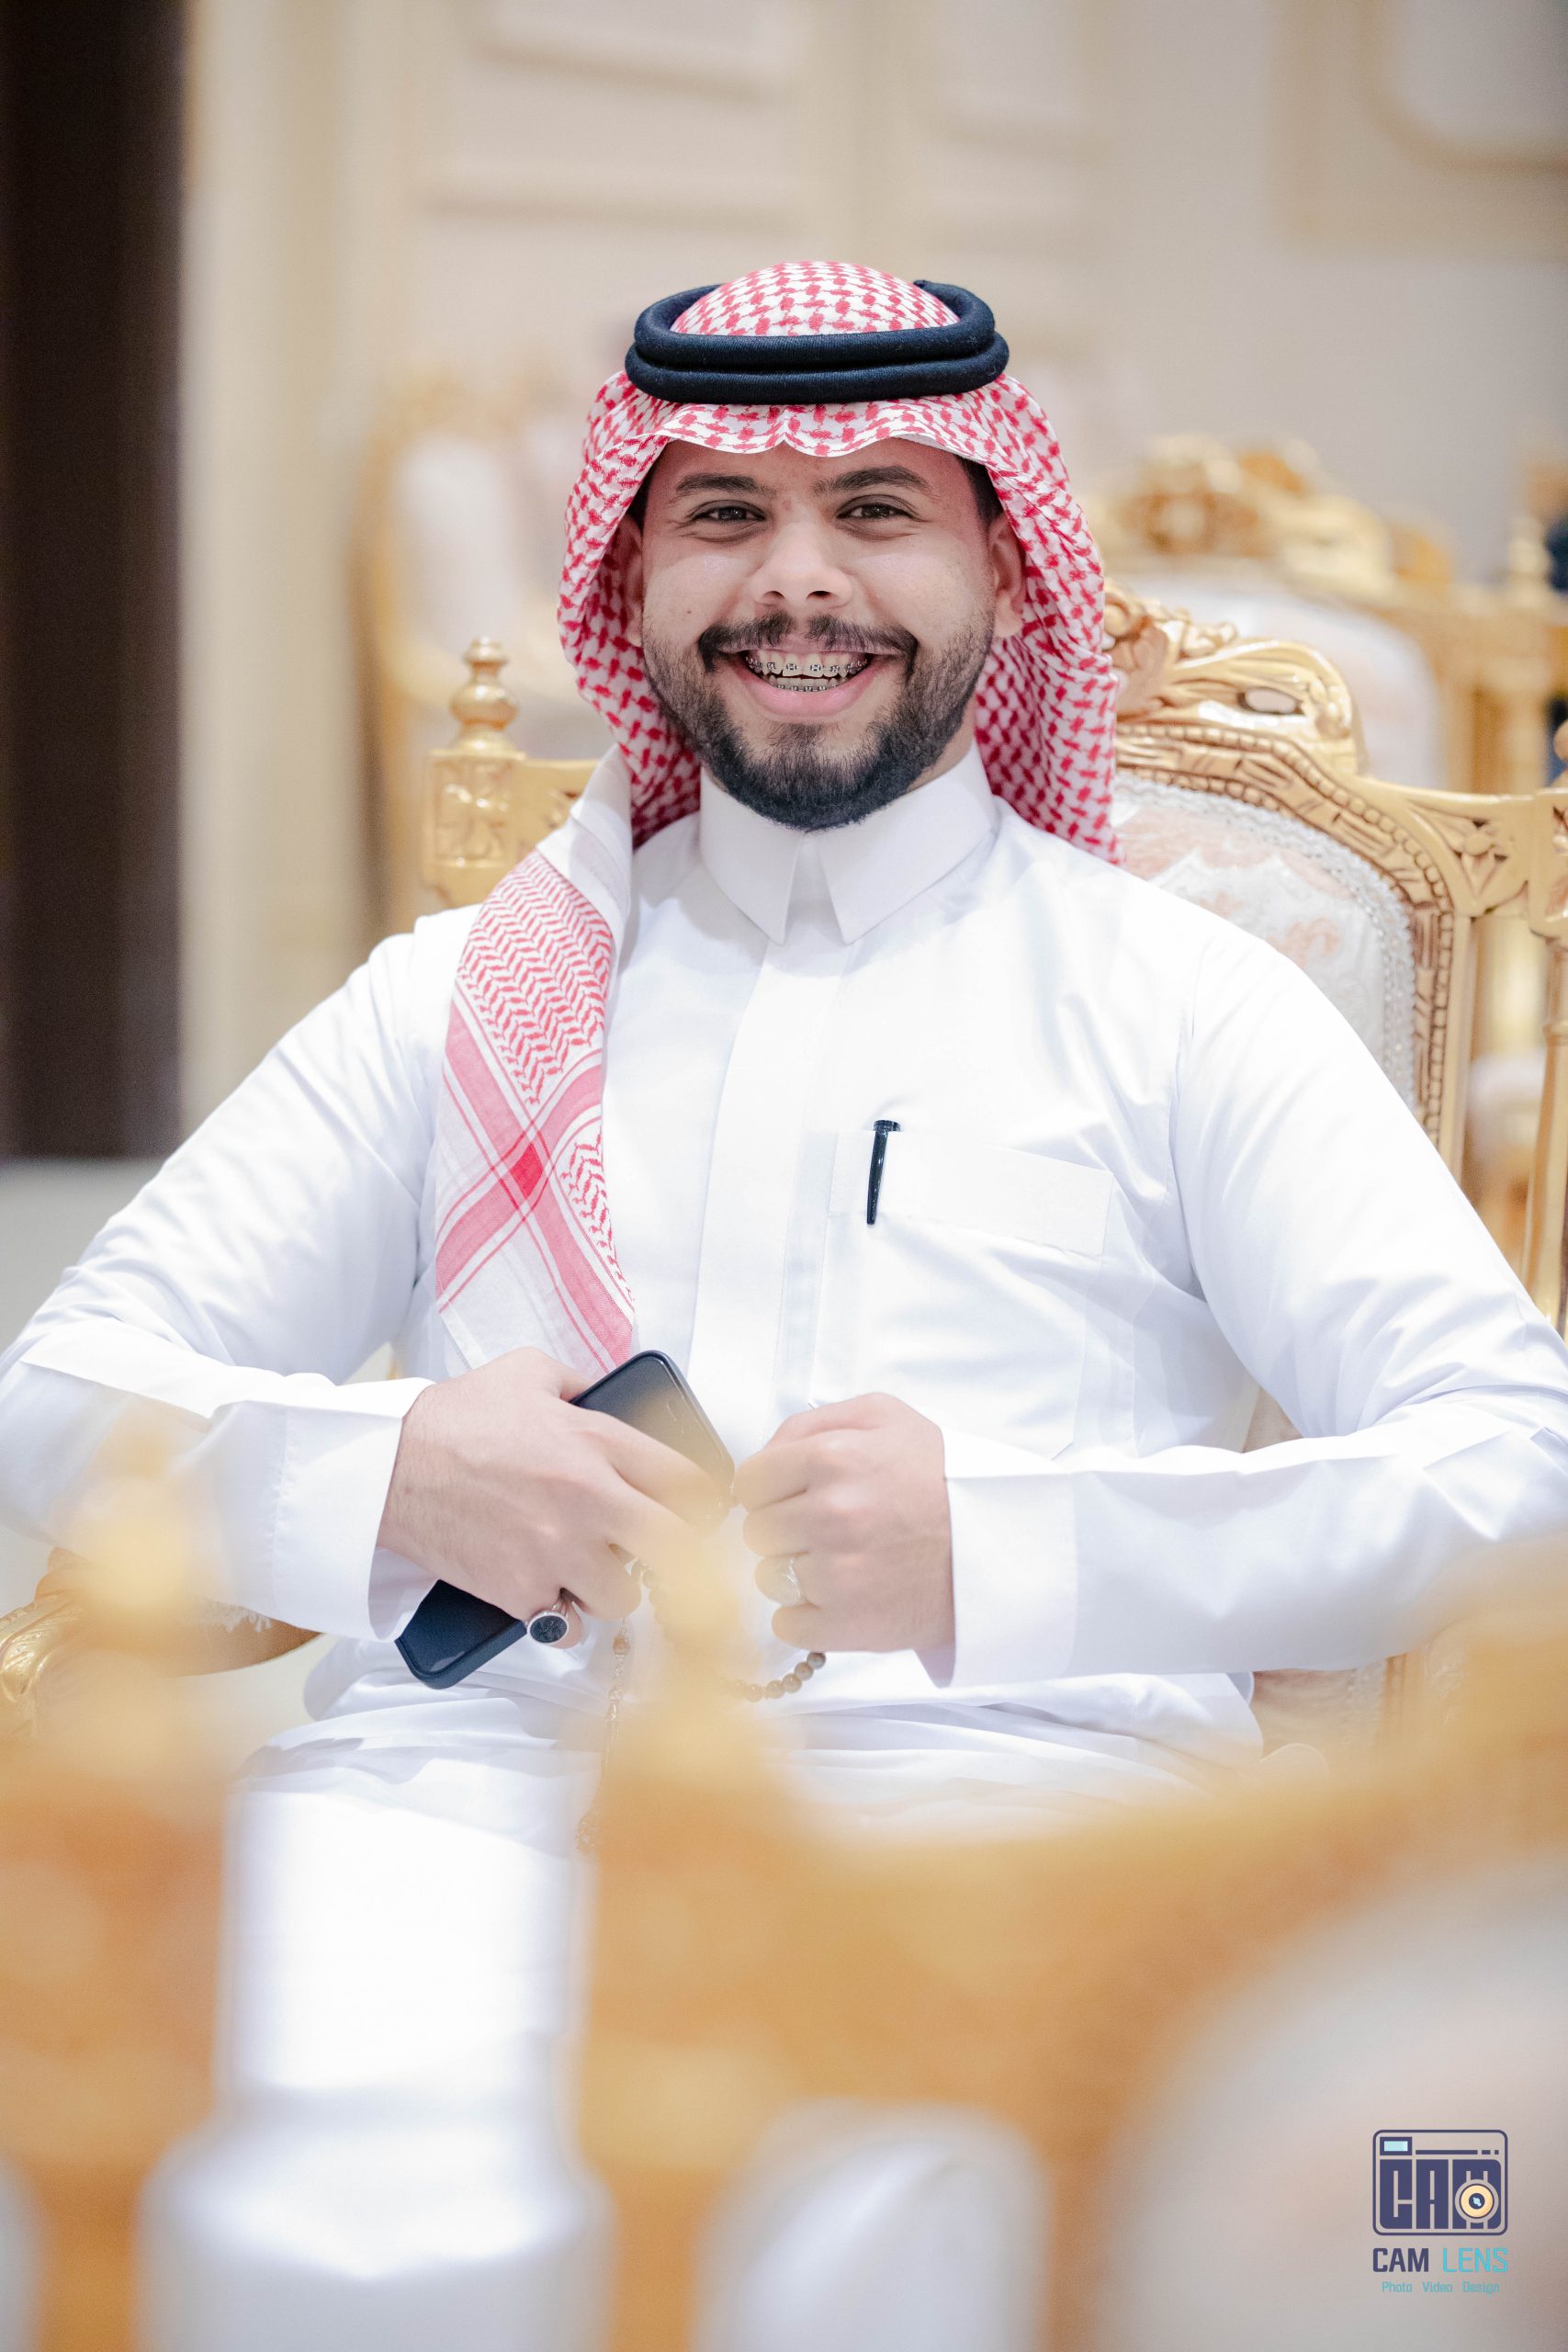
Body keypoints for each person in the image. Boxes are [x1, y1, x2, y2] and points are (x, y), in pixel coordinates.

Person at [2, 262, 1566, 2345]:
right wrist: (389, 1472)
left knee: (899, 2204)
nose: (797, 578)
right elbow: (59, 1393)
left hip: (1006, 1828)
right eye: (723, 512)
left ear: (1002, 564)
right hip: (447, 1813)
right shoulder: (459, 995)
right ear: (630, 578)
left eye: (877, 509)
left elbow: (1517, 1466)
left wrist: (1006, 1550)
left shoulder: (1183, 1004)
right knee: (163, 2123)